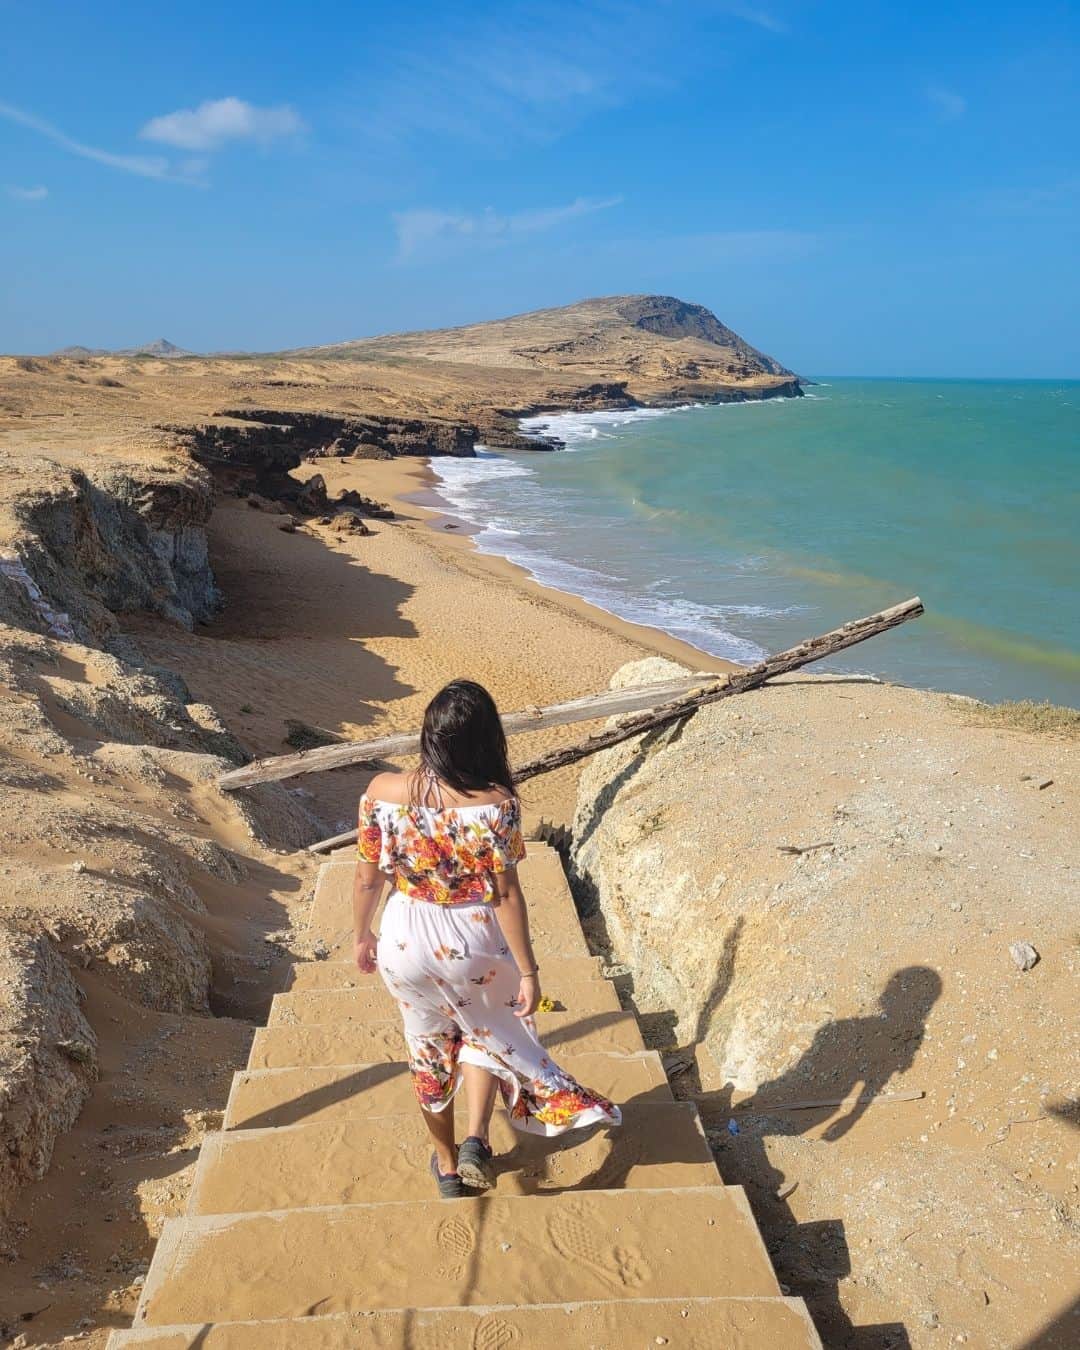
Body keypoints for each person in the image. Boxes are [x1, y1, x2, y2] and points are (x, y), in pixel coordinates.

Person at [352, 679, 621, 1197]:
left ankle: (448, 1164)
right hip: (473, 937)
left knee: (428, 1050)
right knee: (485, 1029)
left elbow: (368, 877)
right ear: (485, 740)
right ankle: (477, 1134)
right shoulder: (497, 803)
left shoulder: (381, 792)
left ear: (428, 736)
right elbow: (506, 895)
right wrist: (528, 970)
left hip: (406, 935)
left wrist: (362, 934)